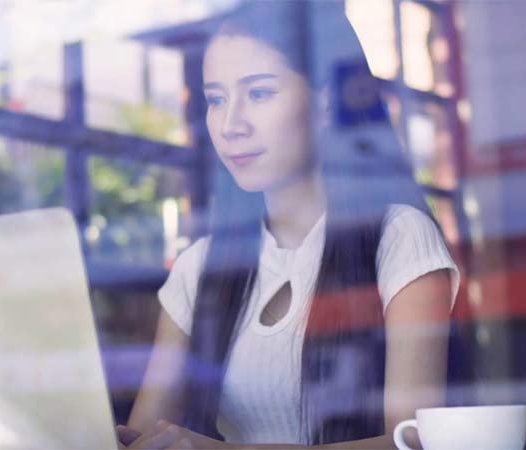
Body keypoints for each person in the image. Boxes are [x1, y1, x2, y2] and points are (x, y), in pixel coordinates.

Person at [117, 2, 460, 448]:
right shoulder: (199, 266)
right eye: (216, 99)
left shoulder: (398, 238)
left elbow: (412, 442)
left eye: (258, 93)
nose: (230, 124)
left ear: (325, 101)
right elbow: (146, 431)